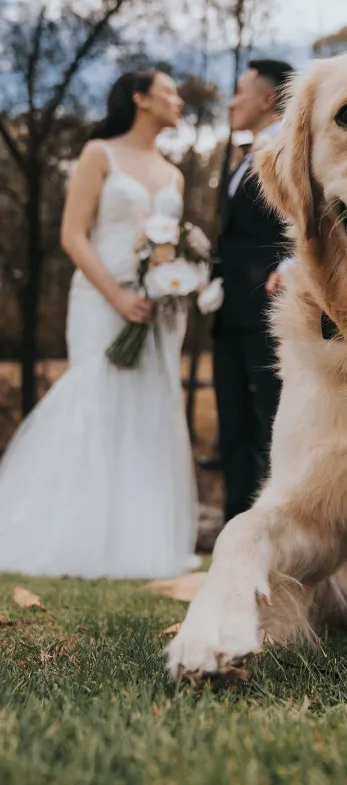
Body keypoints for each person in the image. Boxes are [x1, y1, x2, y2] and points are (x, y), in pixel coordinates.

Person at [0, 70, 200, 578]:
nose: (178, 100)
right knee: (96, 396)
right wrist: (116, 295)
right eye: (169, 91)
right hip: (100, 297)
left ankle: (138, 541)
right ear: (140, 98)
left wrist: (172, 283)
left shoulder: (174, 174)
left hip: (157, 308)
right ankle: (74, 533)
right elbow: (73, 235)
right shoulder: (99, 154)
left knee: (150, 407)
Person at [212, 59, 294, 522]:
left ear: (267, 99)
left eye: (239, 92)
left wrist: (290, 265)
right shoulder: (243, 159)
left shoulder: (291, 150)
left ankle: (280, 531)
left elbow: (317, 217)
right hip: (229, 314)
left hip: (272, 309)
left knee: (273, 423)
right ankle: (234, 532)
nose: (231, 102)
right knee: (234, 428)